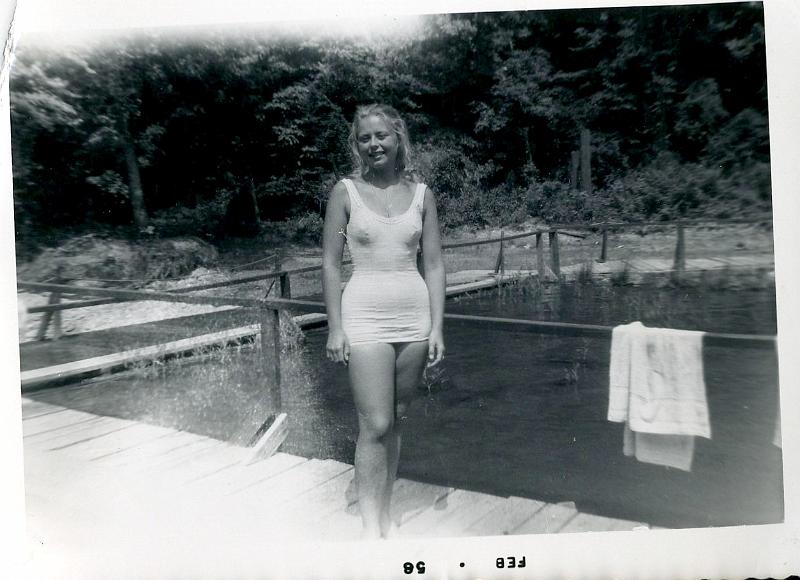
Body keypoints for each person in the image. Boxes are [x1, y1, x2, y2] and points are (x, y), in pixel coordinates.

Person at [322, 104, 446, 540]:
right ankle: (370, 525)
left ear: (398, 138)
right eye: (364, 138)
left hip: (414, 318)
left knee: (396, 418)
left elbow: (432, 264)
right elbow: (331, 263)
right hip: (364, 318)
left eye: (381, 136)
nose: (373, 144)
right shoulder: (345, 193)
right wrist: (335, 327)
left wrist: (437, 327)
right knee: (374, 423)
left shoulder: (422, 195)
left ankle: (385, 507)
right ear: (356, 145)